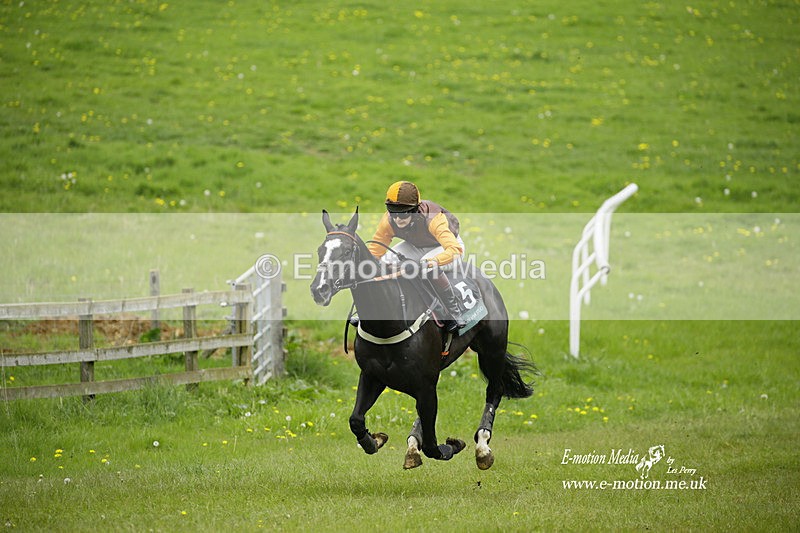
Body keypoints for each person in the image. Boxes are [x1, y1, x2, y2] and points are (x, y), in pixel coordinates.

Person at [367, 181, 467, 332]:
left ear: (415, 210)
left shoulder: (433, 218)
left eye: (404, 213)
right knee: (385, 262)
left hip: (449, 248)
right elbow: (375, 251)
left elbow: (454, 249)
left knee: (426, 267)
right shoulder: (388, 221)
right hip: (417, 246)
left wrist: (432, 262)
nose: (398, 219)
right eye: (393, 212)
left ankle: (453, 312)